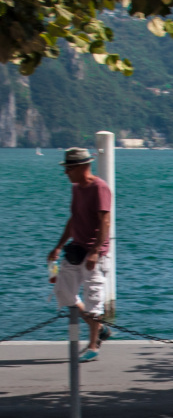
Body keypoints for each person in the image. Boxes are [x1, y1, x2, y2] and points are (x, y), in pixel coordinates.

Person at [47, 147, 111, 362]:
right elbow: (73, 219)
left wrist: (94, 252)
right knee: (63, 292)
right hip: (76, 249)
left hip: (96, 254)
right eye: (66, 168)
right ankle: (99, 328)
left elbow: (105, 222)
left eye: (70, 168)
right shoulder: (76, 188)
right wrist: (58, 246)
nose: (66, 173)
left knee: (94, 299)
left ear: (83, 166)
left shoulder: (100, 188)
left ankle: (93, 345)